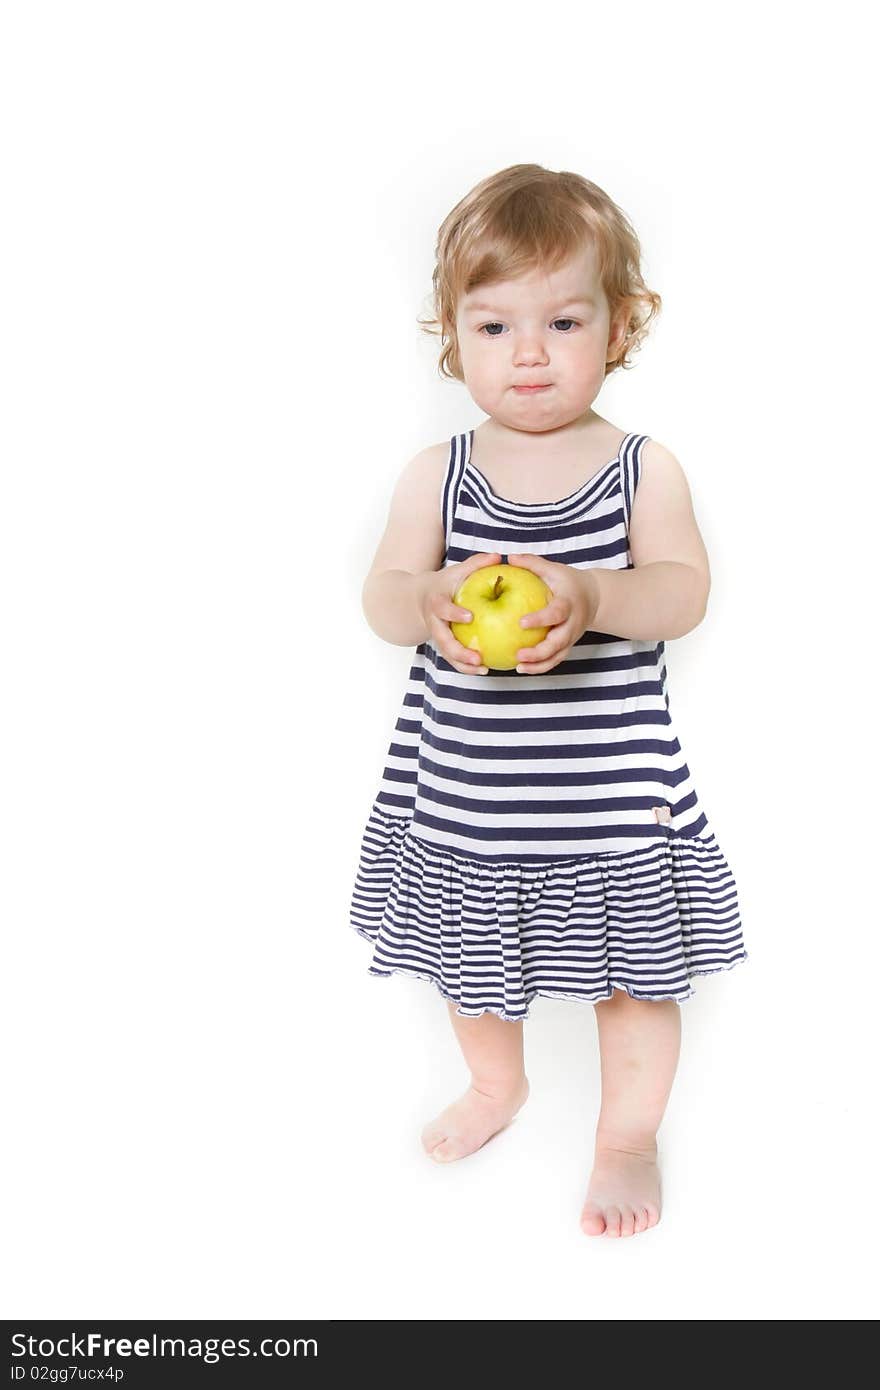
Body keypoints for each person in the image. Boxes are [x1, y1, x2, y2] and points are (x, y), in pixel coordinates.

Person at [349, 163, 748, 1238]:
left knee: (635, 985)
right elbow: (385, 598)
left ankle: (625, 1132)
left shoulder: (638, 470)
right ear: (454, 336)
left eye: (562, 319)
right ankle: (496, 1085)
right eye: (493, 325)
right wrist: (429, 594)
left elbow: (681, 594)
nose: (527, 351)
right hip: (469, 798)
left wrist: (589, 593)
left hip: (608, 800)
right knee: (472, 971)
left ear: (620, 328)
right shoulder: (438, 474)